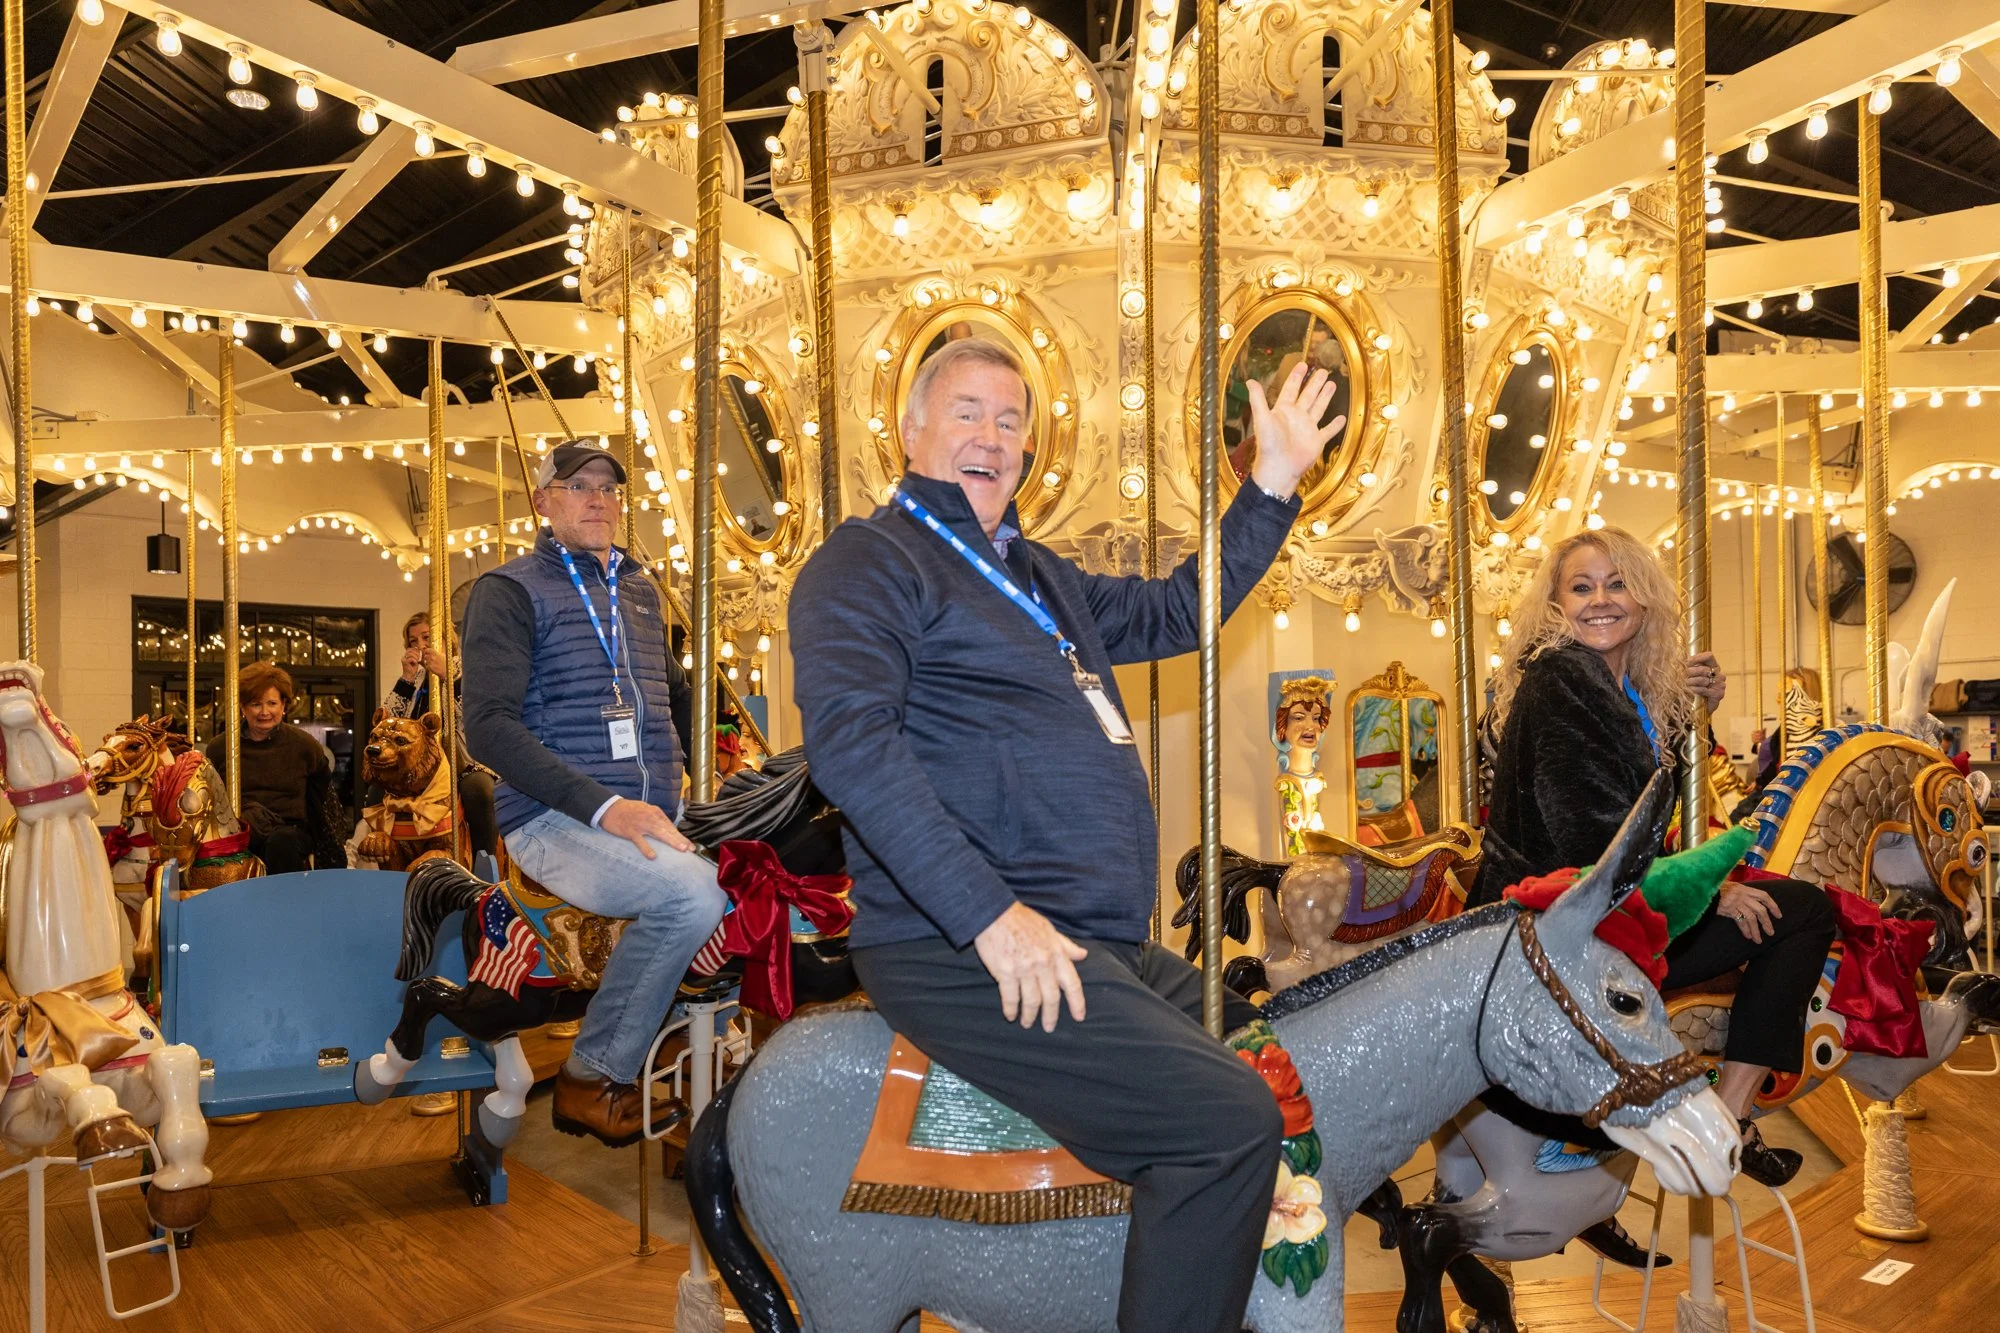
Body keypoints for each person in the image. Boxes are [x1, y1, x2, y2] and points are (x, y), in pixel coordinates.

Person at [789, 337, 1344, 1333]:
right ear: (909, 430)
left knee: (1274, 1050)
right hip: (958, 939)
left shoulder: (1041, 578)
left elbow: (1181, 607)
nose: (990, 437)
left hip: (1094, 936)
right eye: (966, 412)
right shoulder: (869, 560)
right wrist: (988, 916)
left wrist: (1267, 482)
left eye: (1009, 421)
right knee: (1222, 1122)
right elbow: (853, 746)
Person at [1473, 526, 1836, 1187]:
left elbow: (1632, 783)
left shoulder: (1618, 686)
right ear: (1556, 605)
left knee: (1775, 894)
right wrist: (1711, 890)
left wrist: (1692, 710)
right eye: (1580, 587)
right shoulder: (1561, 680)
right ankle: (1733, 1111)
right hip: (1566, 927)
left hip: (1585, 912)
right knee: (1805, 911)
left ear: (1642, 599)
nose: (1601, 600)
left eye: (1618, 583)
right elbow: (1596, 838)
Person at [461, 441, 725, 1148]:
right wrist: (607, 807)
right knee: (691, 895)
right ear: (544, 502)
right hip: (554, 819)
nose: (598, 498)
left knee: (764, 879)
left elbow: (676, 693)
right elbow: (485, 727)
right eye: (578, 486)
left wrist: (730, 767)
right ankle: (591, 1073)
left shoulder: (638, 589)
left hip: (651, 816)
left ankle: (695, 1053)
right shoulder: (510, 590)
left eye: (609, 488)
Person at [381, 609, 499, 859]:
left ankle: (484, 862)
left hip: (462, 760)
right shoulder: (414, 680)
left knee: (479, 790)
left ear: (446, 640)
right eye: (413, 642)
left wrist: (449, 676)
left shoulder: (469, 669)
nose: (420, 646)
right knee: (376, 788)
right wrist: (405, 679)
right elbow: (388, 723)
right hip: (420, 765)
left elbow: (478, 714)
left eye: (427, 638)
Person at [205, 661, 330, 874]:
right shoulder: (221, 748)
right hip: (239, 828)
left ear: (283, 705)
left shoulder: (304, 746)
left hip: (288, 830)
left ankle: (280, 904)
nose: (265, 712)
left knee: (282, 843)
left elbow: (321, 797)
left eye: (272, 703)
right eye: (256, 704)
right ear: (243, 707)